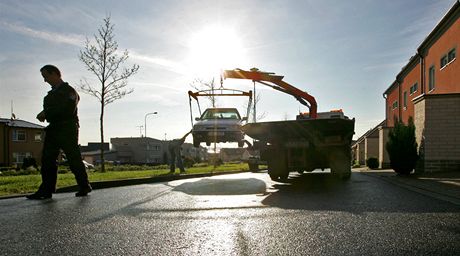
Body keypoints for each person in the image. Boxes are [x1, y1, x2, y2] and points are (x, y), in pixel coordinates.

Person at [26, 65, 92, 199]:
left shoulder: (69, 91)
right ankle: (46, 190)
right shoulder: (49, 96)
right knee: (48, 159)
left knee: (73, 158)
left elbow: (68, 110)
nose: (45, 80)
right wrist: (47, 114)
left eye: (46, 76)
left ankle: (84, 185)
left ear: (55, 74)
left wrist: (46, 112)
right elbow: (51, 115)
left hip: (67, 128)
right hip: (54, 128)